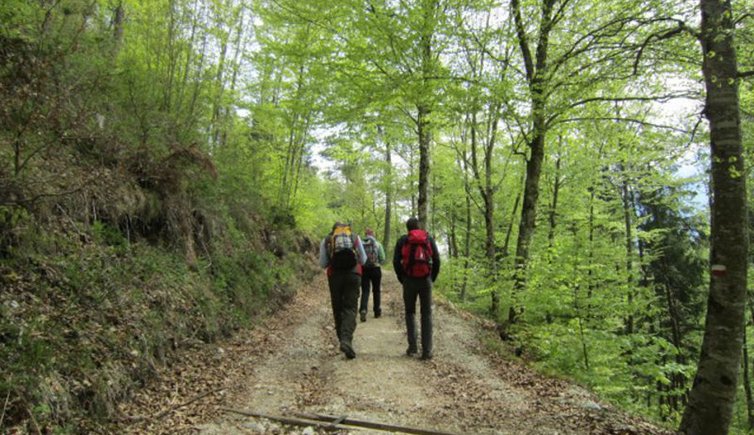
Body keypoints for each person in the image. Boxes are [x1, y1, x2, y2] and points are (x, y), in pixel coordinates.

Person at [393, 217, 441, 360]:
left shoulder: (403, 240)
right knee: (426, 314)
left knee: (410, 312)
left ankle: (413, 347)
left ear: (407, 228)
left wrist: (402, 277)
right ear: (419, 227)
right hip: (425, 279)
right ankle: (427, 351)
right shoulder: (428, 239)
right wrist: (431, 278)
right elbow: (437, 259)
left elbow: (396, 261)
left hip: (409, 280)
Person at [319, 222, 367, 359]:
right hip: (353, 275)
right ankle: (347, 340)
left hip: (335, 277)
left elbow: (323, 263)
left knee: (337, 307)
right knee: (350, 308)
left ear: (333, 230)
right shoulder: (354, 237)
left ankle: (342, 340)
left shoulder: (327, 240)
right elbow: (363, 260)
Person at [359, 228, 386, 322]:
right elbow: (382, 258)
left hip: (364, 269)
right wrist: (378, 261)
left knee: (365, 290)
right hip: (376, 269)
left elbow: (358, 257)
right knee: (376, 290)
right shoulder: (377, 244)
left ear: (365, 235)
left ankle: (363, 309)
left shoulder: (361, 244)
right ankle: (377, 311)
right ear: (373, 234)